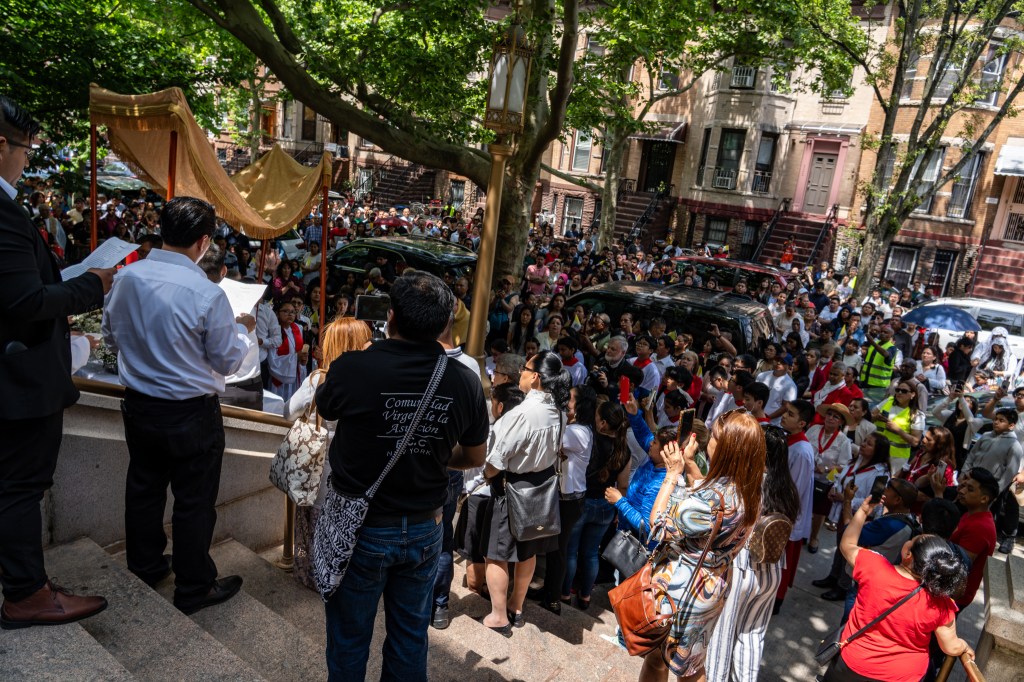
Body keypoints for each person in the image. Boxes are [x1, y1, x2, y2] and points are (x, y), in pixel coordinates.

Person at [312, 271, 488, 679]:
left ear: (389, 316)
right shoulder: (465, 380)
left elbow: (326, 406)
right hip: (425, 526)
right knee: (410, 637)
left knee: (349, 637)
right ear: (445, 324)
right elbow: (474, 455)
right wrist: (429, 452)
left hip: (362, 527)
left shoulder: (354, 367)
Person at [102, 197, 256, 613]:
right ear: (203, 242)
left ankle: (146, 564)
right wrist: (243, 331)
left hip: (140, 405)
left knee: (144, 488)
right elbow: (227, 361)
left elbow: (111, 338)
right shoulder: (206, 294)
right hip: (190, 412)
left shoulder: (126, 277)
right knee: (194, 500)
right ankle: (193, 586)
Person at [0, 95, 115, 628]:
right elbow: (24, 300)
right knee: (21, 486)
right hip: (18, 381)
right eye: (25, 149)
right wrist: (91, 284)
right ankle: (26, 592)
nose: (27, 160)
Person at [640, 410, 765, 681]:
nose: (709, 440)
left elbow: (658, 525)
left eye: (715, 436)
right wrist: (689, 464)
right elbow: (706, 498)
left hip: (681, 590)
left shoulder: (711, 500)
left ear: (727, 449)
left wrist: (672, 474)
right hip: (711, 586)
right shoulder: (749, 491)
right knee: (688, 664)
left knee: (669, 664)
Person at [822, 506, 973, 681]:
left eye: (911, 540)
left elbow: (847, 544)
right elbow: (951, 647)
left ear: (908, 554)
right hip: (900, 676)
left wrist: (862, 511)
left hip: (852, 664)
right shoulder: (941, 604)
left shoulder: (874, 567)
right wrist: (964, 646)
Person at [480, 350, 569, 636]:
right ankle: (516, 607)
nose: (521, 373)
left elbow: (496, 460)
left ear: (536, 377)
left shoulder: (522, 413)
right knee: (528, 549)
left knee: (497, 554)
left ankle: (498, 616)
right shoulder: (560, 411)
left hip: (512, 486)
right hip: (541, 487)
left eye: (525, 369)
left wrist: (485, 476)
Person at [706, 425, 801, 682]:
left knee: (723, 634)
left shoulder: (748, 482)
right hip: (772, 571)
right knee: (752, 635)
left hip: (741, 568)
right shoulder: (787, 488)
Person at [283, 318, 371, 590]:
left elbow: (289, 411)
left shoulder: (318, 379)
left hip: (316, 472)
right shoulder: (371, 382)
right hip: (355, 474)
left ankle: (310, 573)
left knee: (309, 525)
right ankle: (339, 577)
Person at [531, 385, 597, 614]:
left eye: (569, 398)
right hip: (566, 497)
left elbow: (548, 437)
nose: (565, 401)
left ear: (580, 405)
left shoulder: (577, 432)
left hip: (568, 500)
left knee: (558, 550)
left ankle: (553, 599)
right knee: (553, 549)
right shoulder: (577, 428)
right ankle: (549, 591)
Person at [562, 400, 631, 610]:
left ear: (602, 423)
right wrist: (618, 509)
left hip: (581, 501)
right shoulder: (624, 450)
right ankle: (585, 596)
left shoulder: (590, 439)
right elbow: (623, 485)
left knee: (571, 551)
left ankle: (564, 594)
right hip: (606, 506)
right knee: (591, 553)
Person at [962, 407, 1024, 554]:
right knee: (966, 509)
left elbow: (1010, 471)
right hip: (972, 480)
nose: (996, 422)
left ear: (1011, 425)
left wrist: (997, 490)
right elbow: (972, 455)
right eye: (996, 419)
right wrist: (964, 473)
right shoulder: (986, 436)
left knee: (984, 515)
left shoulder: (1014, 445)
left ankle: (979, 544)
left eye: (1001, 420)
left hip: (991, 487)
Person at [774, 400, 816, 614]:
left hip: (785, 514)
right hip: (776, 507)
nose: (784, 415)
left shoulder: (801, 451)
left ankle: (776, 599)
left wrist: (779, 515)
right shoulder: (788, 441)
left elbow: (795, 490)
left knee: (781, 561)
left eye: (790, 414)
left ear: (802, 424)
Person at [807, 405, 854, 553]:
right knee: (802, 506)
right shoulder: (814, 429)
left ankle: (814, 537)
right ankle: (802, 533)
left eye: (835, 417)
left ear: (841, 422)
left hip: (825, 481)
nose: (830, 418)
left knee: (819, 512)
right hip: (807, 476)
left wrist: (827, 469)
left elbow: (844, 466)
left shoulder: (843, 441)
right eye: (829, 414)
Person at [872, 380, 924, 473]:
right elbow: (869, 417)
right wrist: (876, 417)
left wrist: (898, 430)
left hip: (896, 458)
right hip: (876, 450)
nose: (899, 392)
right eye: (897, 390)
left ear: (912, 394)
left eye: (904, 391)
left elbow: (915, 442)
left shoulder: (917, 415)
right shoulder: (888, 401)